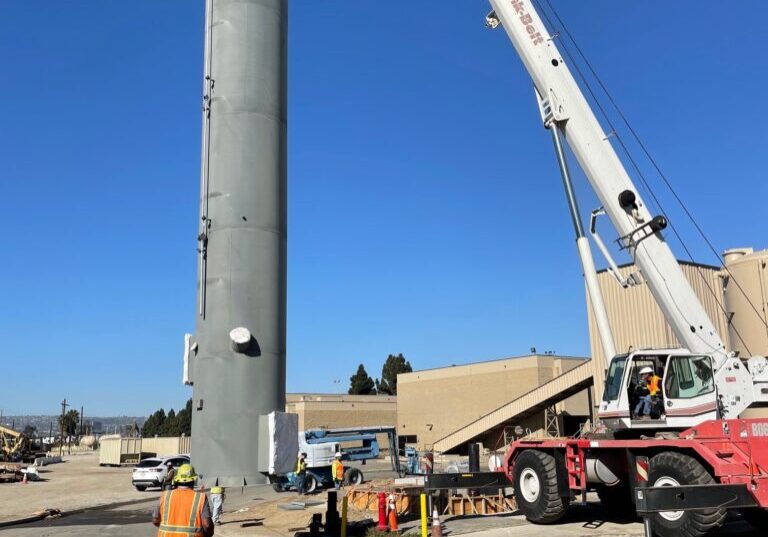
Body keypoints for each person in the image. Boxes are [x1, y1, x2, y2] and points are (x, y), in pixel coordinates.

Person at [152, 463, 214, 536]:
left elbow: (155, 520)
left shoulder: (165, 495)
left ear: (177, 480)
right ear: (193, 480)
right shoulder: (200, 497)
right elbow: (207, 525)